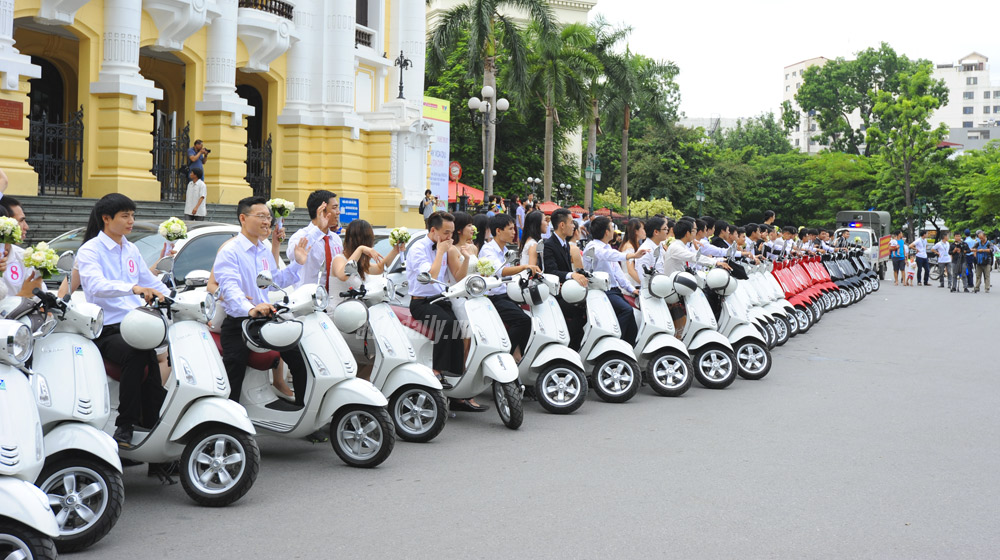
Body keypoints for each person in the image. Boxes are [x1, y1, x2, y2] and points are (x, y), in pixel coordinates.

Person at [77, 194, 169, 447]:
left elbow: (151, 282)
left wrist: (175, 298)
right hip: (106, 329)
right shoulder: (89, 250)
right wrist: (133, 289)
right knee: (137, 354)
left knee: (151, 359)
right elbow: (96, 285)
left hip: (138, 326)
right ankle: (125, 425)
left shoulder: (131, 248)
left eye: (132, 215)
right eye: (125, 216)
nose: (131, 221)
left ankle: (151, 430)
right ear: (106, 219)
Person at [214, 196, 312, 406]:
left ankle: (301, 411)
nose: (267, 221)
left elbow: (276, 280)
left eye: (268, 217)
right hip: (240, 321)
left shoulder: (264, 250)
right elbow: (229, 288)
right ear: (243, 218)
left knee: (300, 359)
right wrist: (250, 309)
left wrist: (297, 263)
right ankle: (230, 420)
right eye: (261, 216)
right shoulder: (230, 251)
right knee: (234, 368)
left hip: (266, 319)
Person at [406, 211, 467, 391]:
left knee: (461, 326)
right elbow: (431, 275)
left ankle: (455, 374)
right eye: (447, 233)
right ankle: (436, 371)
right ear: (433, 230)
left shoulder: (446, 247)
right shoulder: (418, 249)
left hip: (441, 298)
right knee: (447, 324)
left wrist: (466, 257)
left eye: (452, 232)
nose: (450, 237)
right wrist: (441, 252)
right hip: (421, 302)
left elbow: (458, 275)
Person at [480, 213, 537, 361]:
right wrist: (525, 267)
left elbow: (509, 276)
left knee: (531, 319)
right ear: (498, 231)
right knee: (523, 320)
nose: (514, 232)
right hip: (493, 297)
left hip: (506, 294)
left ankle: (518, 355)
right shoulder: (488, 250)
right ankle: (506, 354)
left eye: (514, 228)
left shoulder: (505, 251)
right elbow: (499, 272)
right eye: (510, 229)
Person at [583, 216, 647, 346]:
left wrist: (631, 289)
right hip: (601, 291)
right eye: (612, 228)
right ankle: (614, 342)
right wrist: (631, 255)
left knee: (631, 318)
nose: (614, 231)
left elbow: (617, 272)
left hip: (613, 290)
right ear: (606, 232)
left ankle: (629, 347)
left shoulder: (607, 247)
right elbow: (606, 256)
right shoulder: (593, 246)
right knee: (626, 310)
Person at [543, 208, 588, 349]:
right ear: (562, 225)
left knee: (585, 309)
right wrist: (571, 275)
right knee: (579, 312)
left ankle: (576, 345)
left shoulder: (566, 244)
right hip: (555, 293)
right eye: (571, 223)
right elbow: (551, 270)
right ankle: (565, 346)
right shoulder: (549, 245)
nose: (574, 226)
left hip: (568, 290)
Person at [287, 190, 342, 289]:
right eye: (334, 208)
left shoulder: (335, 239)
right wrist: (318, 230)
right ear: (321, 210)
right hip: (308, 300)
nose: (338, 212)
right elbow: (292, 254)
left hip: (332, 299)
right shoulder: (300, 236)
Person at [620, 218, 645, 288]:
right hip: (631, 283)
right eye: (643, 229)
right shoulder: (629, 247)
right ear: (636, 231)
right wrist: (644, 284)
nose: (644, 231)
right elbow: (630, 270)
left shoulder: (634, 245)